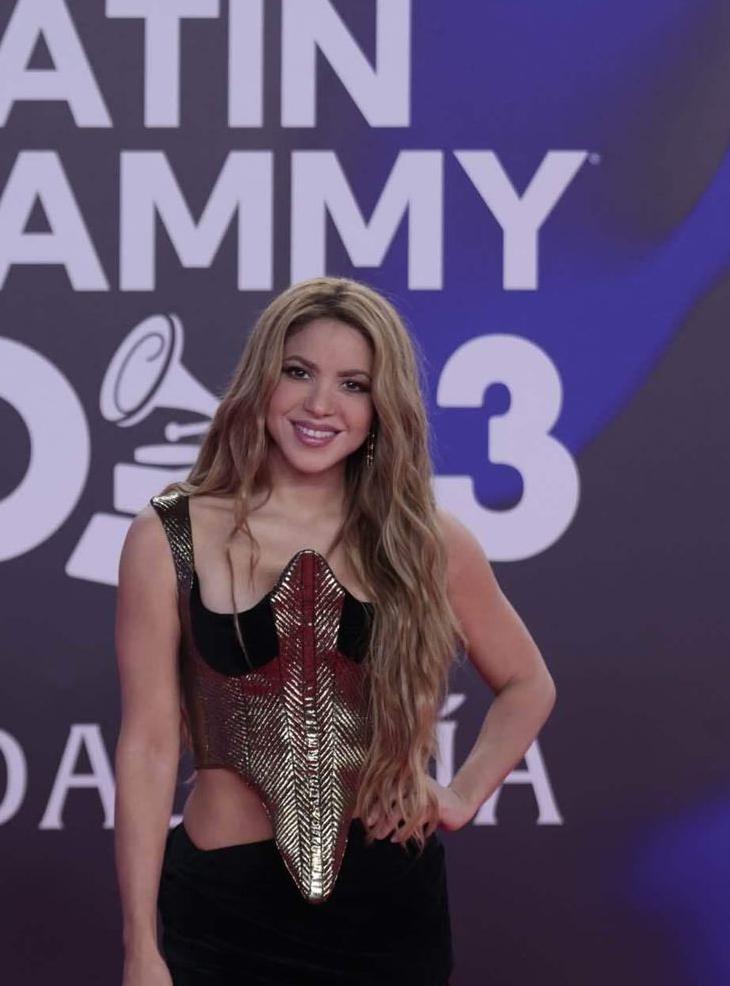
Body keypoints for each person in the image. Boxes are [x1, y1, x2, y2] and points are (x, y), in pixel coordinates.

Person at [113, 277, 557, 985]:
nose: (321, 404)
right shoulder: (169, 535)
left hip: (387, 916)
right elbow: (147, 746)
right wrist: (141, 949)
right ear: (262, 379)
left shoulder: (426, 540)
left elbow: (528, 682)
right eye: (298, 372)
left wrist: (461, 794)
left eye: (354, 384)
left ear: (382, 407)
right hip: (221, 915)